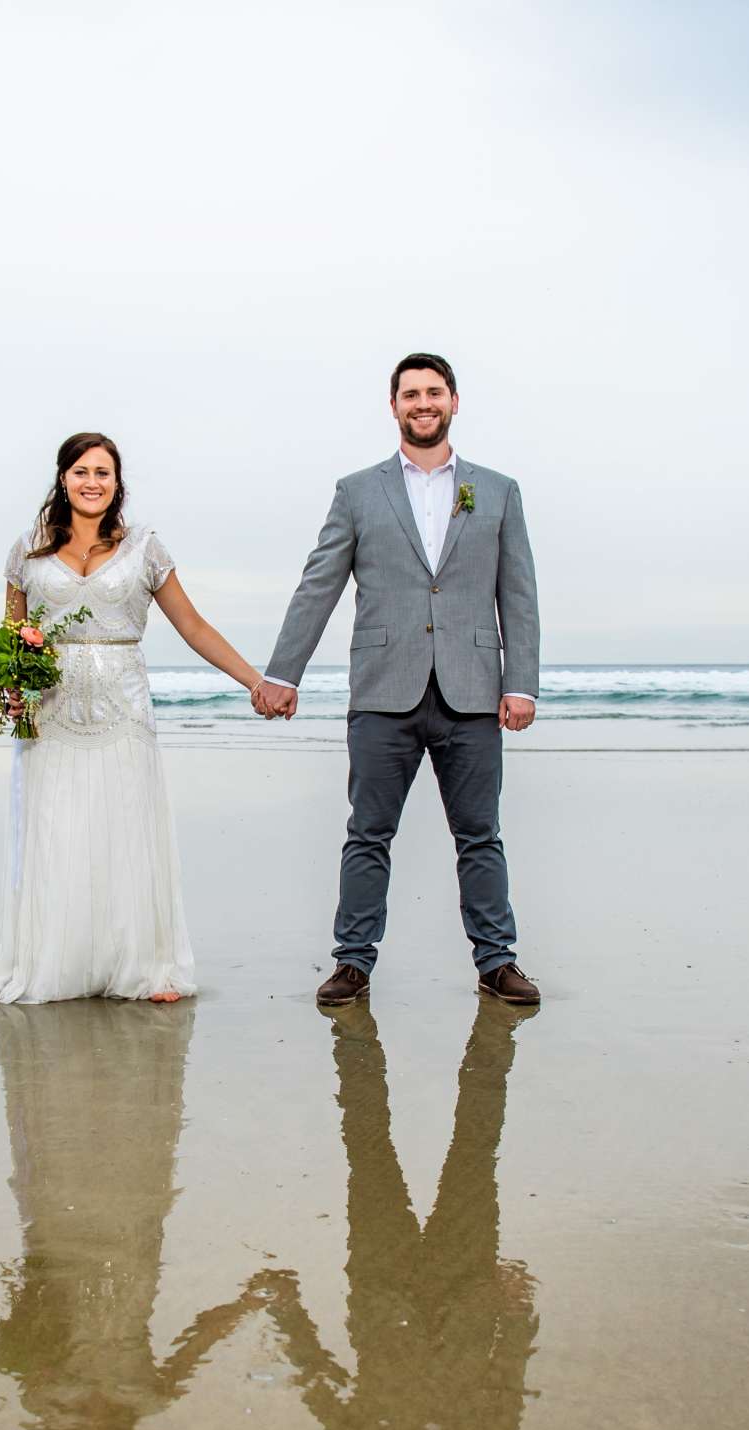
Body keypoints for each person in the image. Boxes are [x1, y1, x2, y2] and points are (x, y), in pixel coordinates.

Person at [254, 354, 544, 1005]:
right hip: (384, 691)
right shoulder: (358, 492)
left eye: (433, 392)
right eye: (410, 394)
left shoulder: (498, 491)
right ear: (393, 407)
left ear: (454, 401)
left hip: (472, 692)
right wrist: (282, 673)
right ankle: (352, 962)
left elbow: (518, 593)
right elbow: (318, 585)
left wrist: (520, 682)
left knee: (480, 836)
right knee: (367, 834)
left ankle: (497, 960)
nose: (422, 403)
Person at [0, 431, 267, 1004]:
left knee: (126, 833)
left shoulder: (145, 549)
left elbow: (194, 626)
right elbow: (12, 638)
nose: (91, 482)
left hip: (124, 709)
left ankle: (146, 968)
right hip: (50, 714)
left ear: (117, 483)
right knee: (52, 835)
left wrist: (255, 681)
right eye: (81, 471)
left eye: (102, 472)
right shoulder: (26, 551)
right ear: (63, 478)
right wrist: (11, 693)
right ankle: (36, 964)